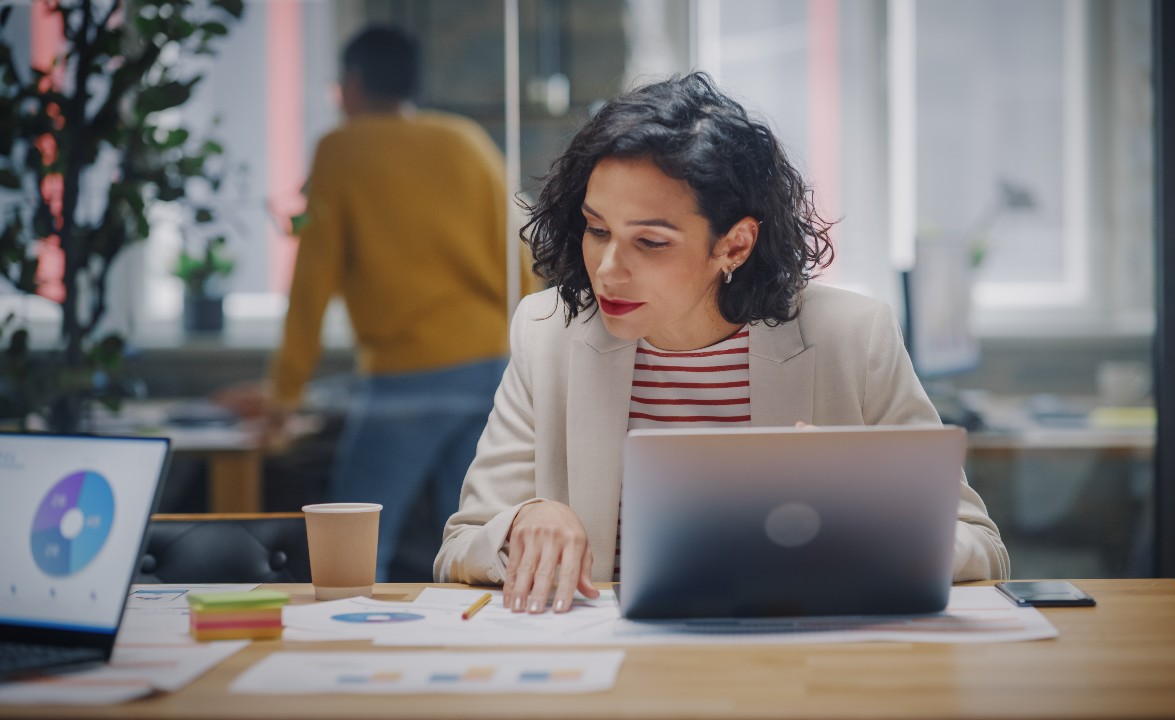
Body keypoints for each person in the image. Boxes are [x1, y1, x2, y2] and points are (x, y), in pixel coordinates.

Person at [434, 72, 1009, 612]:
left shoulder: (852, 338)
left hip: (794, 660)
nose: (608, 269)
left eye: (650, 243)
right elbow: (459, 546)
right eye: (598, 229)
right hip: (609, 668)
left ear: (734, 246)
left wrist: (867, 515)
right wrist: (522, 521)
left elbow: (979, 545)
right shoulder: (547, 333)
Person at [264, 26, 520, 581]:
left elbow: (313, 277)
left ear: (350, 85)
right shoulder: (465, 139)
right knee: (477, 541)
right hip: (488, 364)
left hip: (407, 376)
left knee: (349, 552)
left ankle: (341, 658)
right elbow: (518, 252)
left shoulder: (342, 147)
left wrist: (285, 390)